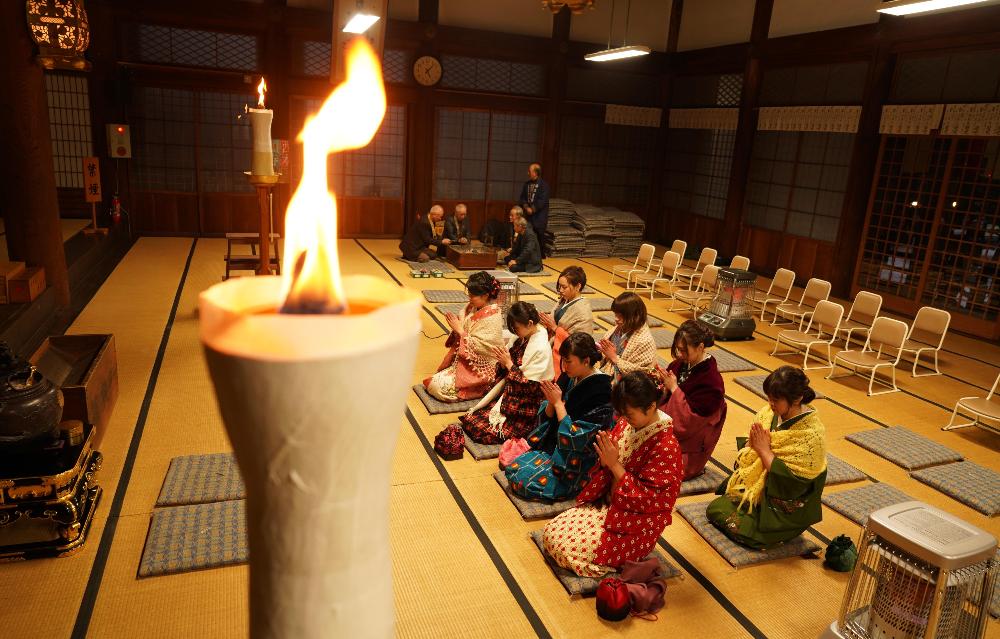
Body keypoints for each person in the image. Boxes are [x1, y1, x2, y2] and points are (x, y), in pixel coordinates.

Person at [541, 371, 682, 577]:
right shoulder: (628, 423)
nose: (625, 419)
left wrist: (614, 464)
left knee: (565, 549)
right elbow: (606, 463)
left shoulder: (666, 446)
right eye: (623, 413)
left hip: (635, 524)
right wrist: (605, 458)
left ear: (651, 406)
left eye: (630, 414)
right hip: (609, 506)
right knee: (551, 531)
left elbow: (650, 500)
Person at [706, 366, 827, 550]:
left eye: (775, 400)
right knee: (716, 509)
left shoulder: (811, 434)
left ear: (796, 399)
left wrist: (764, 451)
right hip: (758, 491)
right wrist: (751, 445)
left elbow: (793, 482)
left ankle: (780, 531)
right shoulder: (769, 414)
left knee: (746, 532)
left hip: (784, 507)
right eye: (769, 398)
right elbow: (749, 448)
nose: (770, 403)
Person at [505, 333, 614, 501]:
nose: (564, 366)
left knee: (525, 482)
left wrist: (558, 404)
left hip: (576, 460)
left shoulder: (601, 391)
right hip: (555, 447)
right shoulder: (569, 376)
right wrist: (551, 402)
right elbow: (547, 417)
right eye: (563, 360)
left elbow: (579, 437)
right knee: (514, 469)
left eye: (568, 361)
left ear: (586, 361)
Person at [461, 302, 554, 444]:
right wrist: (503, 362)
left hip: (527, 402)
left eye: (516, 328)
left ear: (529, 323)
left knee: (481, 431)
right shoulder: (521, 337)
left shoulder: (540, 347)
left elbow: (530, 386)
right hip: (511, 392)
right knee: (471, 420)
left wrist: (509, 364)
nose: (514, 332)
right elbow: (506, 365)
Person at [652, 320, 727, 480]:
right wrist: (661, 384)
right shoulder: (681, 364)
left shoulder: (711, 381)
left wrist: (674, 388)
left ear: (700, 347)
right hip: (664, 428)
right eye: (678, 349)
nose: (679, 354)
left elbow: (687, 423)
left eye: (684, 350)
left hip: (688, 446)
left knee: (650, 468)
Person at [424, 272, 505, 401]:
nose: (469, 298)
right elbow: (466, 325)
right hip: (465, 362)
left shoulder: (492, 317)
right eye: (469, 294)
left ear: (485, 295)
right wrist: (458, 326)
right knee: (434, 382)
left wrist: (460, 330)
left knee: (438, 387)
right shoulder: (474, 307)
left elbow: (483, 348)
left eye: (472, 296)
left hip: (481, 370)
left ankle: (479, 388)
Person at [539, 266, 593, 377]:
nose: (560, 290)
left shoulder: (583, 310)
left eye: (564, 287)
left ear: (578, 286)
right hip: (552, 346)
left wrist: (555, 328)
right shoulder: (564, 300)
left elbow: (581, 342)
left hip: (565, 356)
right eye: (559, 286)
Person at [597, 292, 657, 381]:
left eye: (620, 316)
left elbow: (640, 374)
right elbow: (607, 355)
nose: (616, 319)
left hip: (627, 384)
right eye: (616, 314)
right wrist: (601, 351)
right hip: (608, 373)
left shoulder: (645, 341)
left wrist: (614, 357)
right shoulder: (620, 328)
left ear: (635, 316)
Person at [519, 163, 549, 249]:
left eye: (529, 171)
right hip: (528, 216)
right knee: (527, 235)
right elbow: (522, 197)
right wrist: (526, 207)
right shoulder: (527, 184)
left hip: (540, 216)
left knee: (539, 237)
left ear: (535, 173)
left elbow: (542, 200)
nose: (528, 173)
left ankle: (540, 254)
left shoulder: (544, 185)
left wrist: (532, 209)